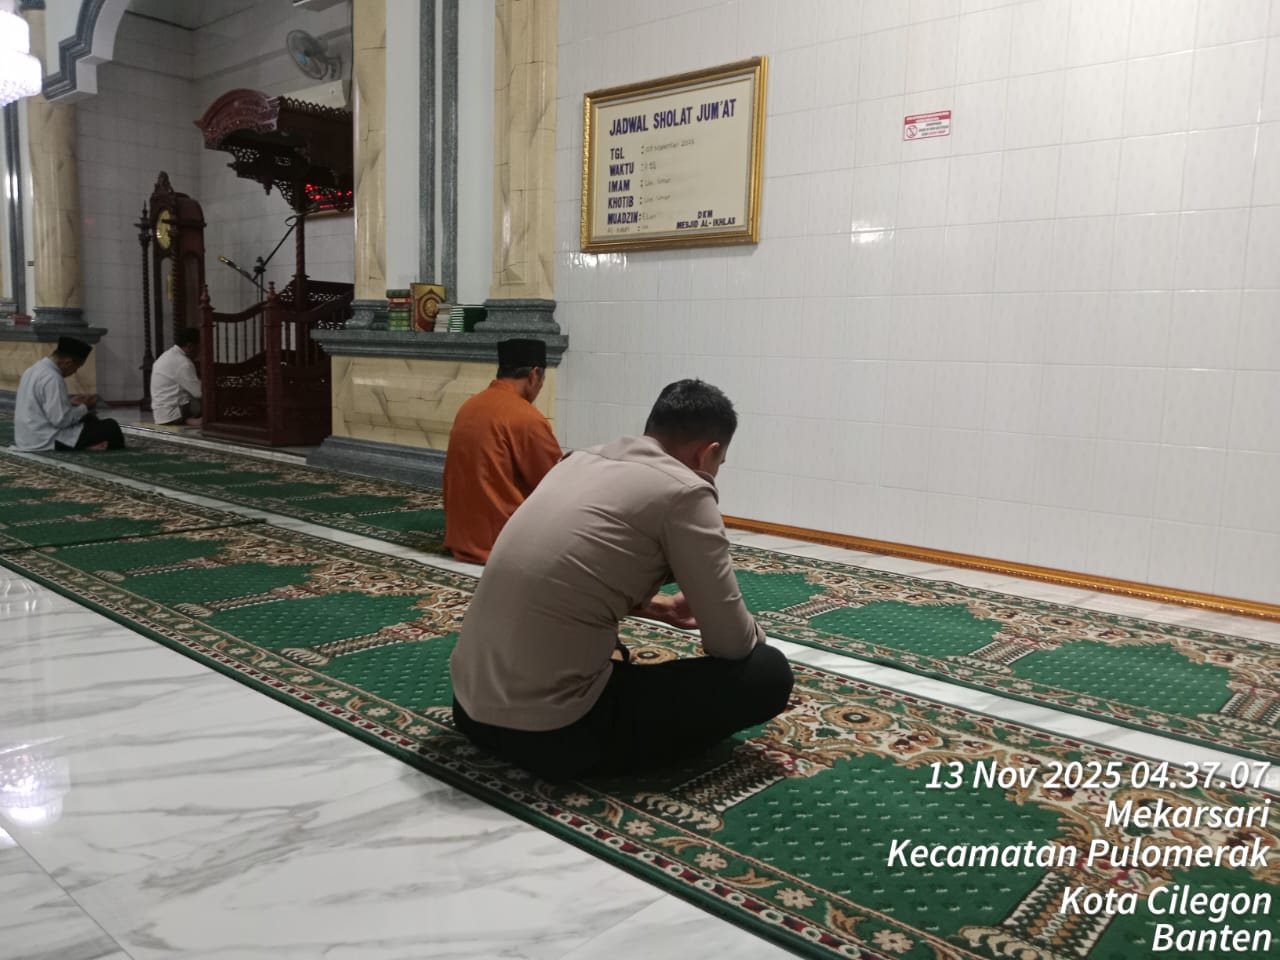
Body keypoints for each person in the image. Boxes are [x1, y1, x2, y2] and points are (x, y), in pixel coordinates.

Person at [450, 379, 794, 781]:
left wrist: (656, 607)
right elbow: (730, 644)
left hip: (468, 708)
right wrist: (755, 631)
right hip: (552, 735)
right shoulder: (685, 491)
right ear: (709, 452)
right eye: (720, 462)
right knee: (767, 672)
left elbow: (567, 573)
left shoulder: (578, 461)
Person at [442, 337, 563, 563]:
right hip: (503, 542)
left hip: (461, 537)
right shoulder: (526, 417)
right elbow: (553, 482)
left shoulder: (469, 406)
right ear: (534, 374)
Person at [13, 336, 125, 452]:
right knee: (111, 427)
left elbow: (41, 405)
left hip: (27, 437)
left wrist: (70, 402)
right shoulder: (53, 378)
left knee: (88, 419)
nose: (75, 371)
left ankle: (88, 444)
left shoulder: (33, 369)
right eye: (77, 367)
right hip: (46, 439)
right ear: (68, 362)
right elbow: (60, 421)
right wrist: (85, 407)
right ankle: (87, 446)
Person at [150, 327, 202, 426]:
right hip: (174, 414)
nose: (200, 351)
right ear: (190, 346)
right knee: (207, 401)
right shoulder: (183, 363)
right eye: (200, 346)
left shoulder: (167, 355)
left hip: (160, 415)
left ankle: (188, 420)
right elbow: (199, 392)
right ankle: (192, 421)